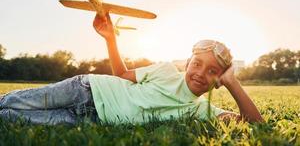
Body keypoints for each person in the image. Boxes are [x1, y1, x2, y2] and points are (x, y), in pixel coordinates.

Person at [0, 14, 264, 125]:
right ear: (187, 62)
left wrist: (233, 83)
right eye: (197, 64)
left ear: (219, 79)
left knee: (13, 117)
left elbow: (254, 124)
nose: (200, 73)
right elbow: (123, 74)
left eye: (212, 71)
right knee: (17, 100)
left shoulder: (203, 110)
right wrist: (110, 39)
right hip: (87, 89)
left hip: (90, 119)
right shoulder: (166, 70)